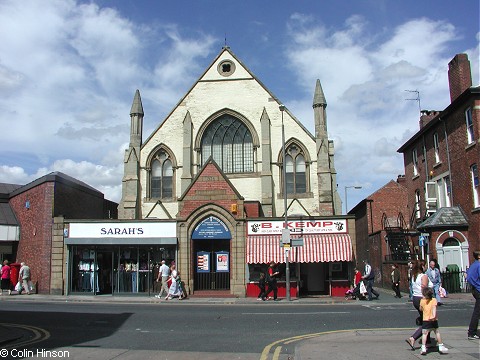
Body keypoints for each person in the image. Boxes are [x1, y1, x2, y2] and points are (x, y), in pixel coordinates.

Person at [405, 260, 430, 350]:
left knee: (425, 319)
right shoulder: (424, 276)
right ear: (422, 267)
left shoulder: (414, 276)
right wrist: (426, 301)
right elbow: (424, 289)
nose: (426, 267)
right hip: (422, 298)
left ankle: (427, 341)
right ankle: (413, 338)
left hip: (415, 298)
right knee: (428, 322)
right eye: (425, 265)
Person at [419, 287, 448, 355]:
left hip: (426, 320)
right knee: (437, 332)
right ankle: (441, 346)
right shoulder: (434, 300)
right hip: (433, 320)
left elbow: (420, 309)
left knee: (424, 334)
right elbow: (434, 309)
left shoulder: (422, 301)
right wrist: (433, 316)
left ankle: (423, 347)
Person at [466, 250, 480, 340]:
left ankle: (472, 331)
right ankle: (471, 332)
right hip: (478, 290)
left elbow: (468, 277)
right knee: (477, 311)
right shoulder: (478, 265)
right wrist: (478, 285)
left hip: (476, 290)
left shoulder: (474, 265)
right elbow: (470, 278)